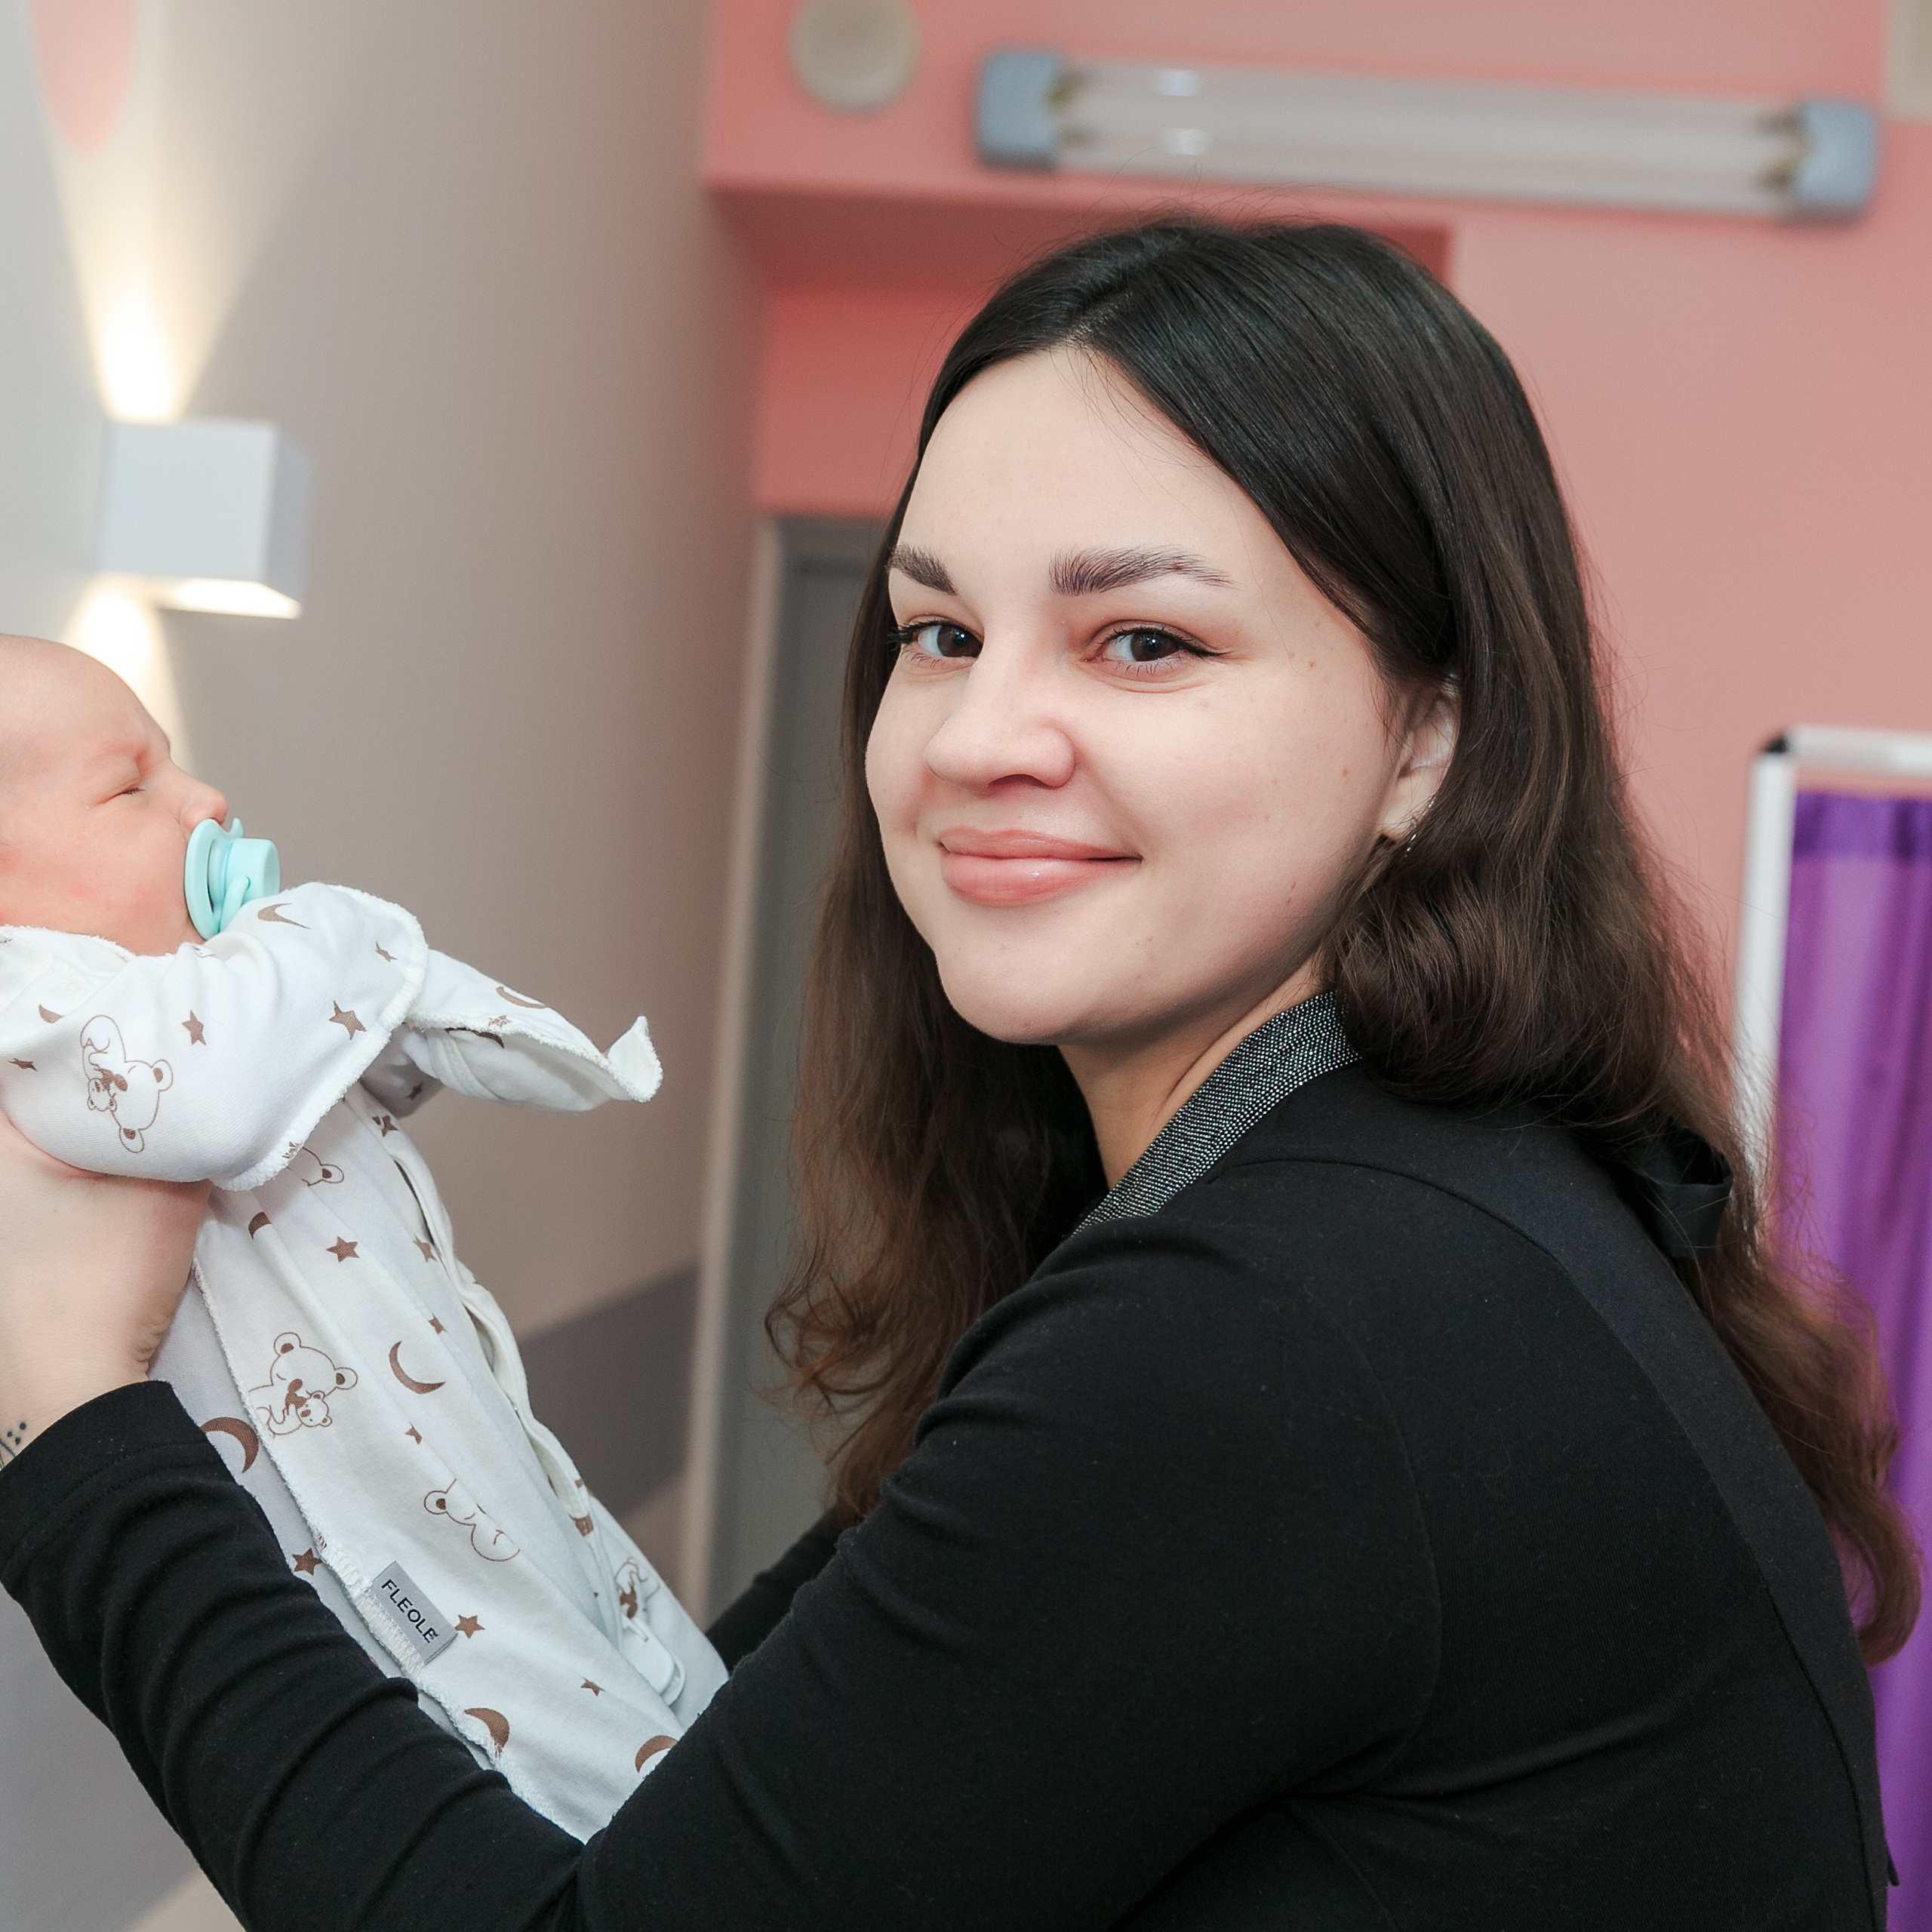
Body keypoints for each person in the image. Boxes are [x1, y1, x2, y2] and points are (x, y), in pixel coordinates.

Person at [0, 220, 1916, 1930]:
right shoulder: (1369, 1211)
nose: (980, 732)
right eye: (938, 630)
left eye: (1141, 639)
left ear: (1428, 733)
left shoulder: (1292, 1328)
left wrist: (71, 1424)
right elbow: (725, 1785)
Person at [0, 637, 723, 1836]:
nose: (206, 801)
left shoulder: (188, 994)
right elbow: (225, 1088)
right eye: (133, 786)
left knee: (644, 1662)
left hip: (462, 1442)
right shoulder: (36, 999)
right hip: (364, 1546)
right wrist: (333, 932)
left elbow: (343, 1072)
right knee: (577, 1772)